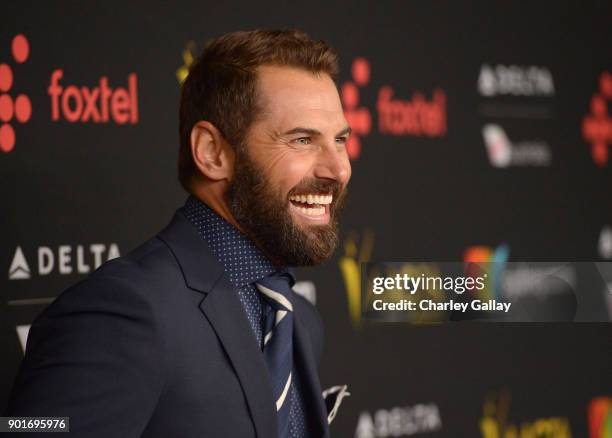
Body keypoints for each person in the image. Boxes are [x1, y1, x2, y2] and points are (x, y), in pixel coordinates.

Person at [5, 29, 352, 437]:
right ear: (211, 152)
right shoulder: (121, 313)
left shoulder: (300, 321)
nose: (339, 169)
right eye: (302, 139)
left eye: (341, 140)